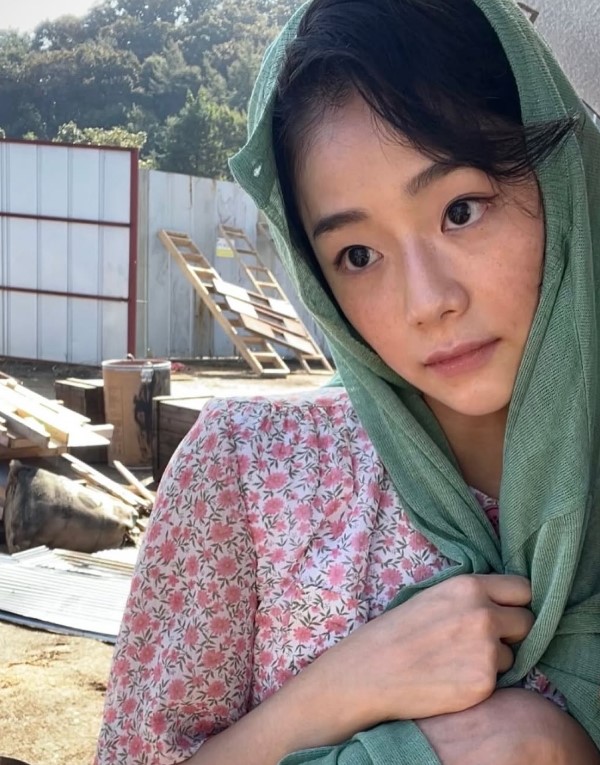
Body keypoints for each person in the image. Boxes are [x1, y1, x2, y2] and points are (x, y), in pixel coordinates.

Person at [95, 0, 600, 763]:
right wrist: (344, 689)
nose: (427, 302)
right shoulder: (250, 472)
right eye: (358, 255)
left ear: (560, 181)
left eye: (461, 210)